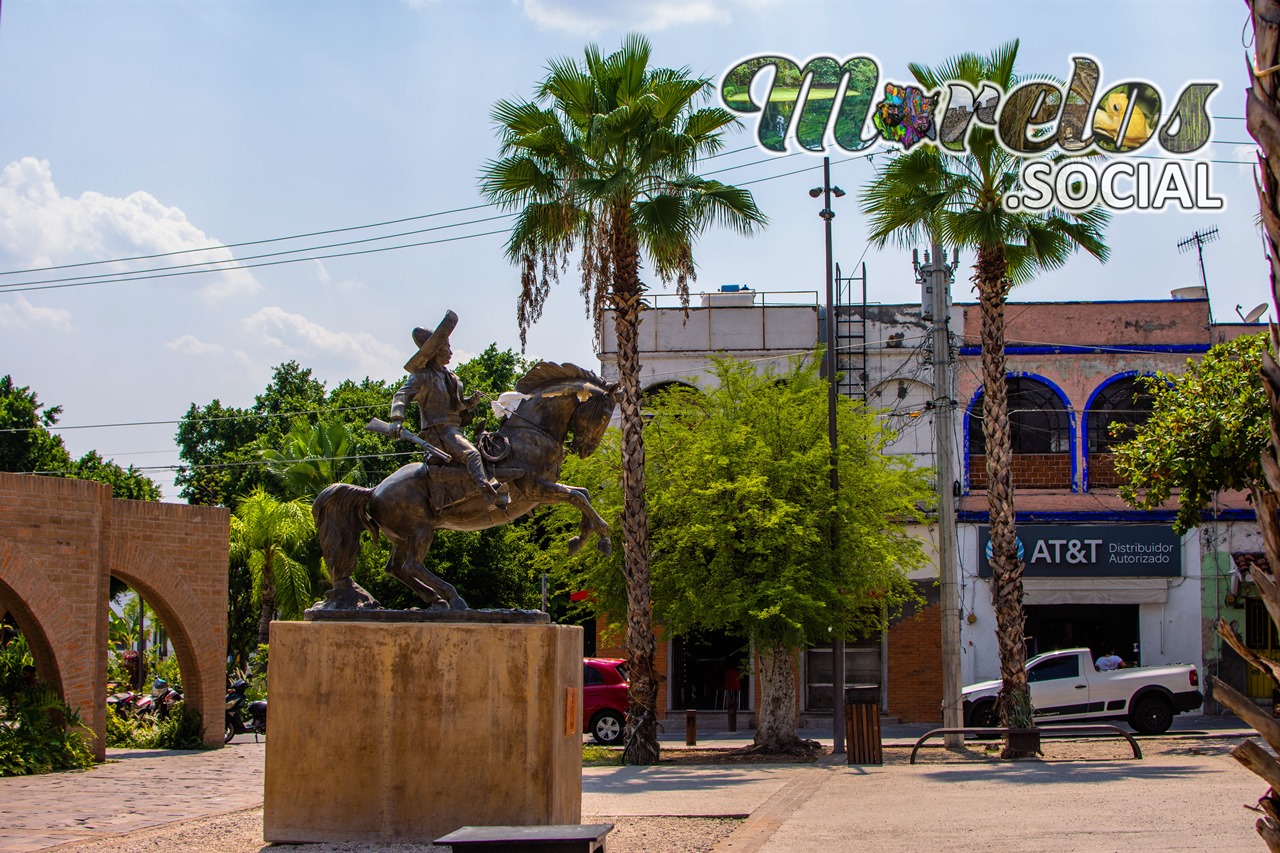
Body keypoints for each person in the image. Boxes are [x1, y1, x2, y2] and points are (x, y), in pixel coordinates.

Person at [389, 311, 506, 505]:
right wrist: (396, 419)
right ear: (435, 352)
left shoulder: (452, 378)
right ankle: (489, 493)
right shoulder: (422, 376)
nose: (451, 353)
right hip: (439, 432)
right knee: (472, 454)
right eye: (446, 348)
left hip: (456, 429)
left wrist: (471, 401)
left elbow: (457, 405)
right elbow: (401, 395)